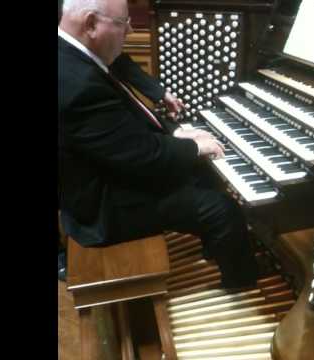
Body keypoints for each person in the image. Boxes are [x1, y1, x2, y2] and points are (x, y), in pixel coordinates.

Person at [58, 0, 258, 289]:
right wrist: (193, 146)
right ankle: (242, 287)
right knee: (221, 208)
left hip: (99, 171)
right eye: (123, 22)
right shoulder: (74, 85)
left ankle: (217, 249)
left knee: (202, 173)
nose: (132, 28)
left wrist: (163, 105)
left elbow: (120, 64)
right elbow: (142, 155)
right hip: (101, 209)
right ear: (90, 24)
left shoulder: (73, 50)